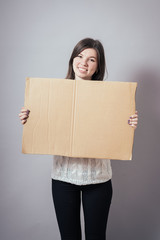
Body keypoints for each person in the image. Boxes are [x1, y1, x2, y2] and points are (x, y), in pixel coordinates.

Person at [19, 38, 138, 240]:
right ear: (73, 59)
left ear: (98, 67)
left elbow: (116, 131)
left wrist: (129, 123)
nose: (84, 62)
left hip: (98, 179)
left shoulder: (110, 98)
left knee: (96, 236)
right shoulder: (51, 94)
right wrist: (30, 118)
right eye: (80, 56)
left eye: (92, 59)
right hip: (63, 178)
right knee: (69, 237)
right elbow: (44, 126)